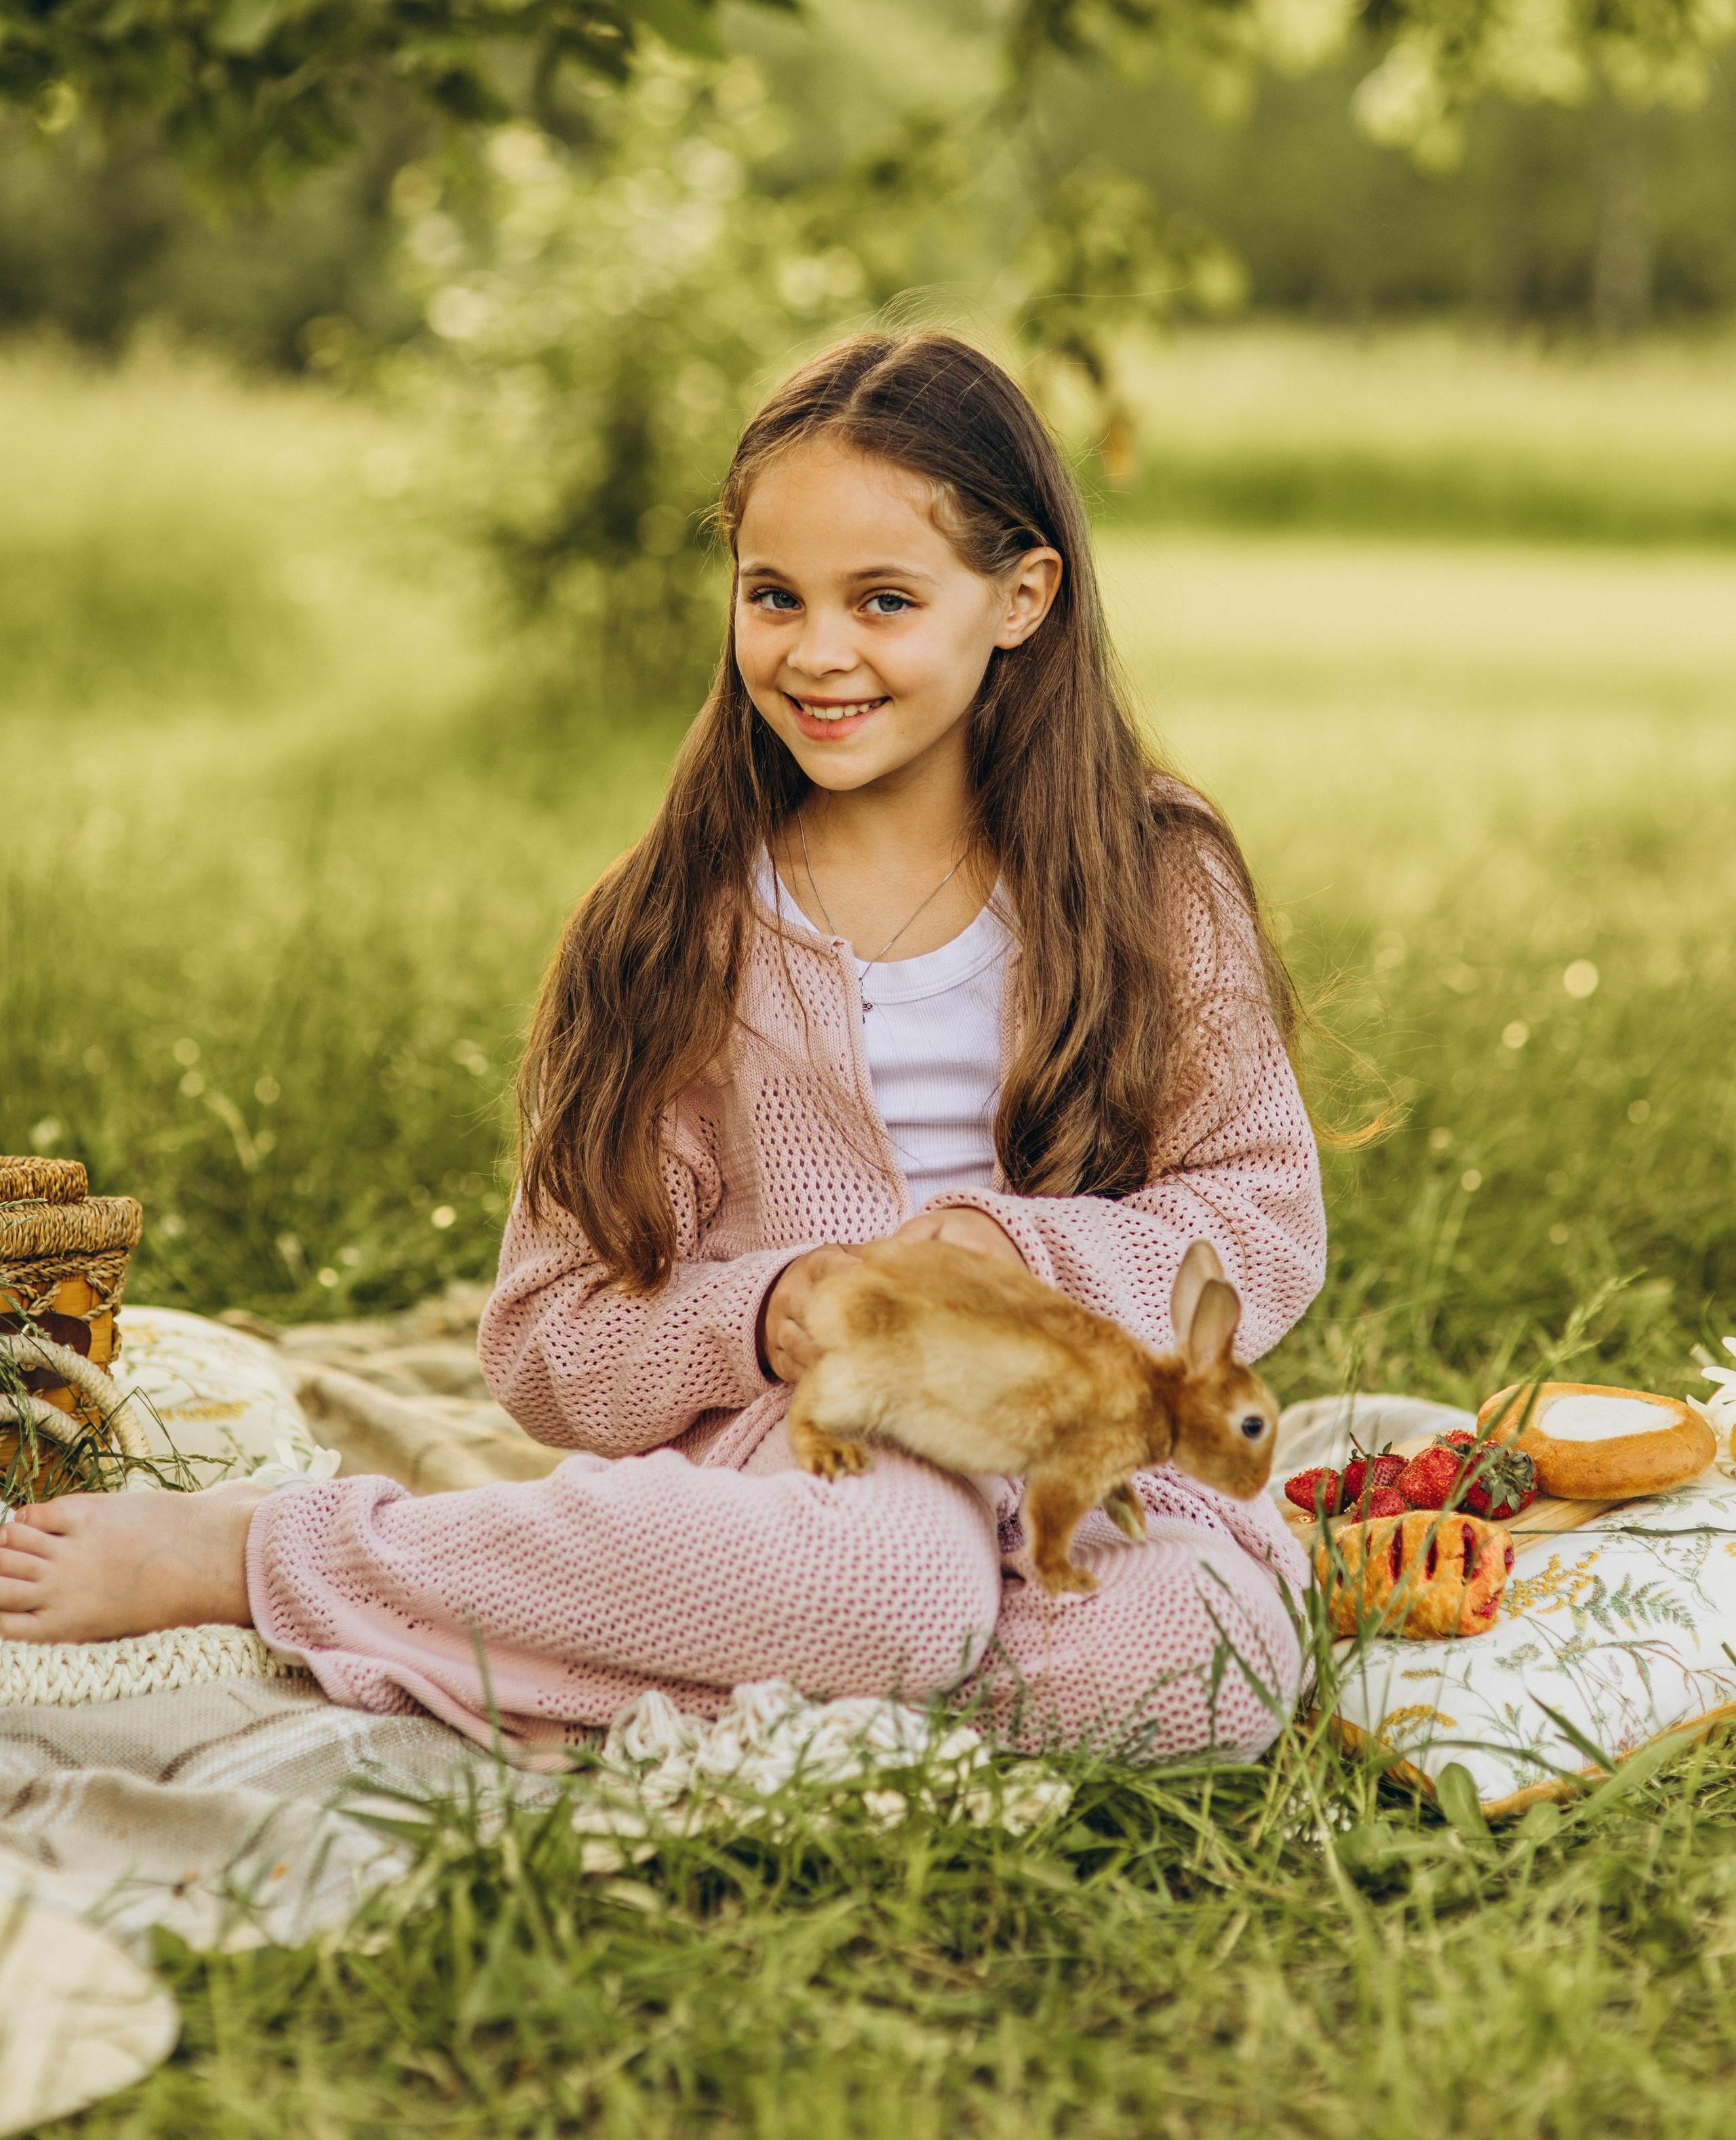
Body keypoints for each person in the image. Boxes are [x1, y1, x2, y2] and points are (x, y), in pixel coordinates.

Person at [0, 333, 1324, 1766]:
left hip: (1083, 1453)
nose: (817, 651)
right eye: (773, 596)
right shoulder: (674, 929)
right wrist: (765, 1311)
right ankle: (283, 1556)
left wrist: (1018, 1262)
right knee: (888, 1579)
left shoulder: (1149, 874)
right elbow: (546, 1336)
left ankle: (731, 1643)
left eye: (882, 600)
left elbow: (1256, 1212)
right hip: (823, 1455)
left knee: (1206, 1672)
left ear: (1019, 597)